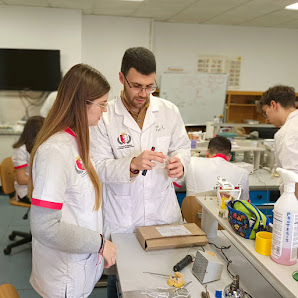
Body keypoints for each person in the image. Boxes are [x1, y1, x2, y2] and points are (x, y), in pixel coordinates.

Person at [89, 47, 190, 297]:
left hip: (162, 213)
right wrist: (131, 164)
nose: (143, 93)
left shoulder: (169, 110)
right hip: (123, 217)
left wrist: (181, 163)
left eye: (149, 86)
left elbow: (183, 147)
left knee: (166, 278)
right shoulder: (104, 115)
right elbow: (97, 167)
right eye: (136, 86)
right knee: (121, 281)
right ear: (122, 79)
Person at [28, 64, 117, 298]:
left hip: (79, 267)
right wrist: (99, 244)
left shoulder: (77, 142)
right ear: (81, 104)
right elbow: (44, 227)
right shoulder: (55, 151)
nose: (104, 111)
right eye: (102, 104)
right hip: (63, 278)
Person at [259, 84, 298, 198]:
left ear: (273, 105)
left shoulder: (287, 132)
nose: (267, 119)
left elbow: (293, 179)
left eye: (265, 112)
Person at [186, 136, 250, 200]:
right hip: (226, 209)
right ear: (229, 157)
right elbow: (244, 203)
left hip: (194, 209)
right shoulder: (243, 173)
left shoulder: (191, 163)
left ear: (207, 153)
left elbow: (178, 183)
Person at [12, 116, 44, 204]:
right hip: (25, 191)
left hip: (38, 187)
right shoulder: (21, 149)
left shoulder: (41, 147)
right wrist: (43, 179)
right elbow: (21, 180)